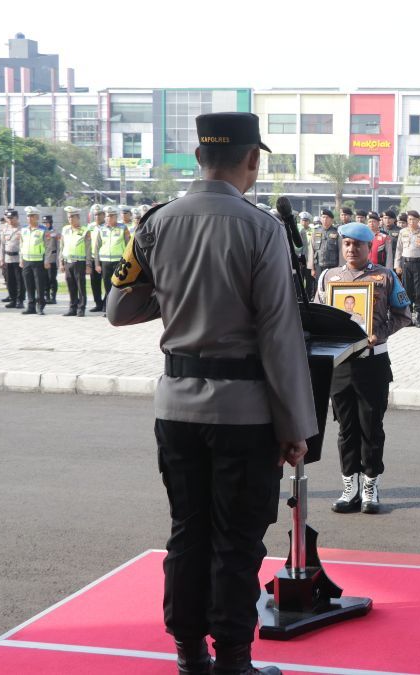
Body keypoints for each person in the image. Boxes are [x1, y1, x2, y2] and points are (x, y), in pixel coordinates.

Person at [106, 112, 313, 675]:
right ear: (252, 159)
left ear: (199, 157)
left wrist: (176, 295)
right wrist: (296, 427)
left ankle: (189, 654)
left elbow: (118, 309)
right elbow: (278, 332)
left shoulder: (155, 222)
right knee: (237, 541)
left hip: (175, 405)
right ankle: (234, 662)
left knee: (187, 532)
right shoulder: (261, 227)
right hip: (244, 414)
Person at [315, 222, 413, 516]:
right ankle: (349, 486)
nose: (350, 249)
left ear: (368, 246)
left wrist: (379, 334)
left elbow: (404, 314)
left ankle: (370, 484)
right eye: (346, 244)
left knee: (371, 428)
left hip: (373, 363)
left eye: (357, 244)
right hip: (342, 364)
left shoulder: (385, 277)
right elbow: (319, 314)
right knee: (346, 429)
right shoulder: (328, 277)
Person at [394, 209, 420, 326]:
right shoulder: (403, 232)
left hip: (419, 264)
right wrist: (397, 265)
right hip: (406, 264)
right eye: (409, 219)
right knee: (407, 291)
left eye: (414, 219)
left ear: (418, 220)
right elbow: (399, 250)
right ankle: (408, 318)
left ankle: (419, 318)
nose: (411, 221)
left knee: (419, 291)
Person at [92, 206, 130, 311]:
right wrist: (97, 264)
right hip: (105, 263)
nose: (108, 218)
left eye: (110, 216)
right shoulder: (102, 229)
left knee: (118, 286)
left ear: (115, 217)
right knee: (107, 286)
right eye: (107, 216)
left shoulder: (123, 228)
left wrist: (126, 262)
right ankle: (109, 309)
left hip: (119, 262)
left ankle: (121, 308)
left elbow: (128, 246)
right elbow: (96, 247)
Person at [60, 206, 91, 317]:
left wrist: (88, 264)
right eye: (69, 217)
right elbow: (62, 246)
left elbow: (88, 249)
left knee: (80, 286)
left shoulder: (85, 231)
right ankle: (72, 308)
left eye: (72, 217)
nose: (70, 219)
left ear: (78, 217)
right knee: (71, 286)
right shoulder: (65, 229)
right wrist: (61, 262)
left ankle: (81, 308)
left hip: (79, 262)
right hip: (68, 261)